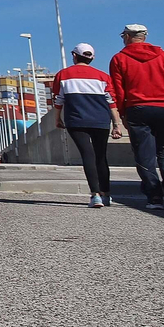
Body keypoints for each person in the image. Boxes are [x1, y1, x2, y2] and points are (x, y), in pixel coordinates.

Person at [108, 24, 164, 210]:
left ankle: (154, 197)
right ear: (144, 37)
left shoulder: (119, 59)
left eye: (123, 36)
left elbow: (118, 91)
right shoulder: (163, 56)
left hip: (137, 108)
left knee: (144, 154)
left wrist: (122, 115)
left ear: (128, 37)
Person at [51, 42, 124, 208]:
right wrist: (116, 125)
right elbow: (111, 102)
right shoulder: (103, 76)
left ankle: (95, 195)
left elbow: (58, 100)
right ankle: (106, 195)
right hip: (100, 121)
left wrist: (58, 119)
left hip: (76, 121)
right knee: (101, 156)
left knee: (87, 155)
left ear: (74, 56)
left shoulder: (63, 75)